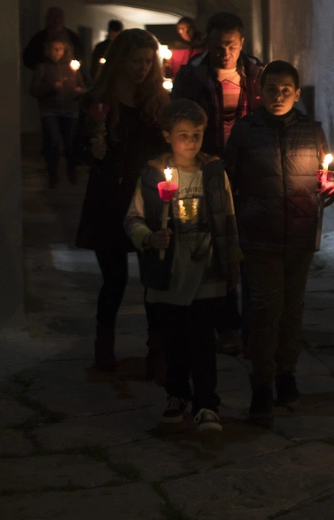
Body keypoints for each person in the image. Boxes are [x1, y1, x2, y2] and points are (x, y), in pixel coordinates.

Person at [224, 61, 334, 427]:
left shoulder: (311, 131)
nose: (277, 96)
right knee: (265, 308)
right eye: (271, 89)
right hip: (260, 234)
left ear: (297, 93)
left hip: (300, 234)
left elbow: (325, 176)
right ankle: (261, 384)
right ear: (260, 91)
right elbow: (229, 182)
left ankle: (286, 375)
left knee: (292, 309)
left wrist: (329, 189)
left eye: (285, 90)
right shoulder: (245, 131)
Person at [123, 99, 242, 432]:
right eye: (183, 135)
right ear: (167, 135)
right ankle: (177, 396)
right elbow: (132, 219)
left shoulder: (214, 172)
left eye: (197, 134)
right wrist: (149, 237)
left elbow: (228, 217)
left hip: (205, 267)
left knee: (203, 339)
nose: (191, 142)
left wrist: (232, 260)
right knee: (174, 339)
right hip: (169, 270)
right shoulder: (151, 174)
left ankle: (206, 403)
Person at [76, 28, 170, 377]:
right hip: (109, 200)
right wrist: (93, 150)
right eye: (135, 61)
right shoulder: (97, 100)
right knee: (113, 280)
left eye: (148, 61)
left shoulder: (157, 101)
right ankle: (104, 349)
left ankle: (156, 352)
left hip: (147, 200)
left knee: (153, 279)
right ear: (120, 60)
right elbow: (78, 149)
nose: (142, 68)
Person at [173, 11, 263, 355]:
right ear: (207, 44)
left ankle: (252, 326)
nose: (224, 52)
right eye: (217, 45)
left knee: (249, 249)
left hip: (248, 172)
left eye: (230, 45)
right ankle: (225, 325)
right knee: (218, 251)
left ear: (241, 43)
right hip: (208, 169)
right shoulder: (193, 77)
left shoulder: (256, 74)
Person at [29, 33, 86, 187]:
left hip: (70, 110)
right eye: (54, 49)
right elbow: (33, 90)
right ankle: (53, 173)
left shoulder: (72, 67)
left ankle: (71, 170)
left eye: (60, 49)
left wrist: (79, 91)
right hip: (50, 111)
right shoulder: (42, 67)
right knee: (52, 142)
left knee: (70, 143)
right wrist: (50, 87)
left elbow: (83, 88)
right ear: (48, 50)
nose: (57, 52)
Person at [22, 7, 83, 71]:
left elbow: (80, 56)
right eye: (52, 17)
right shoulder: (38, 38)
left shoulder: (73, 38)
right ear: (47, 19)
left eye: (59, 17)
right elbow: (29, 59)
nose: (56, 20)